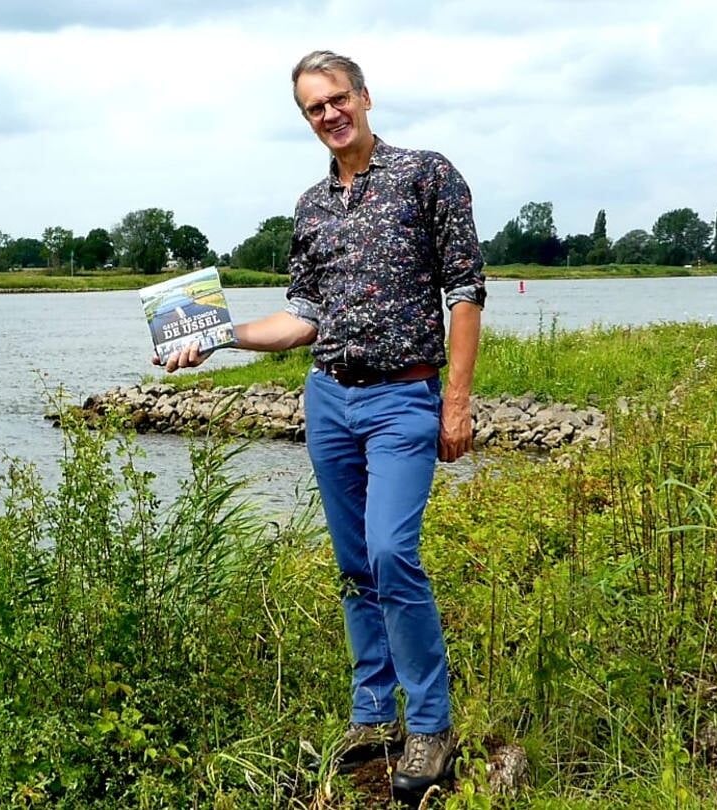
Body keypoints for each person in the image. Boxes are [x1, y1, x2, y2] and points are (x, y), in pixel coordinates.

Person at [158, 49, 485, 793]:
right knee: (353, 566)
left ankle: (431, 726)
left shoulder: (425, 174)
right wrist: (215, 336)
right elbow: (302, 317)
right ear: (305, 118)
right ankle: (372, 712)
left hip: (404, 396)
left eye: (337, 99)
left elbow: (464, 292)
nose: (330, 115)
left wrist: (455, 402)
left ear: (364, 97)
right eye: (314, 108)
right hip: (328, 399)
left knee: (391, 552)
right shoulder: (309, 207)